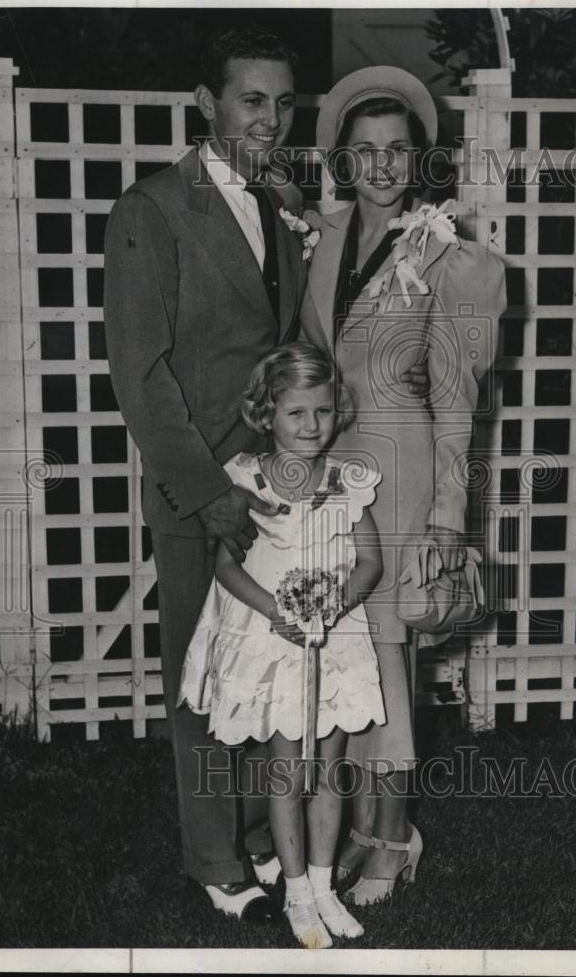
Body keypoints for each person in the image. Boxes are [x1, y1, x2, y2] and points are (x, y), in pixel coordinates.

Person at [103, 26, 308, 922]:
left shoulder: (281, 199)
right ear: (206, 103)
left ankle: (262, 838)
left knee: (264, 669)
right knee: (201, 673)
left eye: (282, 102)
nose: (269, 118)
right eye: (250, 99)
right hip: (201, 487)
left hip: (275, 479)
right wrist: (212, 491)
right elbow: (139, 375)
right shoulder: (150, 209)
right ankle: (212, 858)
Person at [300, 66, 507, 905]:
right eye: (364, 151)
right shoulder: (323, 239)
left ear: (419, 160)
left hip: (403, 472)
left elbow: (458, 405)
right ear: (343, 160)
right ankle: (355, 829)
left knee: (386, 665)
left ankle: (393, 839)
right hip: (329, 475)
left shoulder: (447, 254)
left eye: (397, 151)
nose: (381, 165)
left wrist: (447, 520)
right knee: (341, 660)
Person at [177, 342, 387, 948]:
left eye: (322, 412)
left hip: (335, 636)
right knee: (288, 772)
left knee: (328, 768)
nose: (312, 426)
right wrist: (281, 613)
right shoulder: (245, 479)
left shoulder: (347, 482)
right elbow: (227, 567)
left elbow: (369, 561)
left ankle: (323, 886)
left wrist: (334, 604)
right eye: (296, 414)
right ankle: (295, 891)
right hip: (277, 640)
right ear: (267, 414)